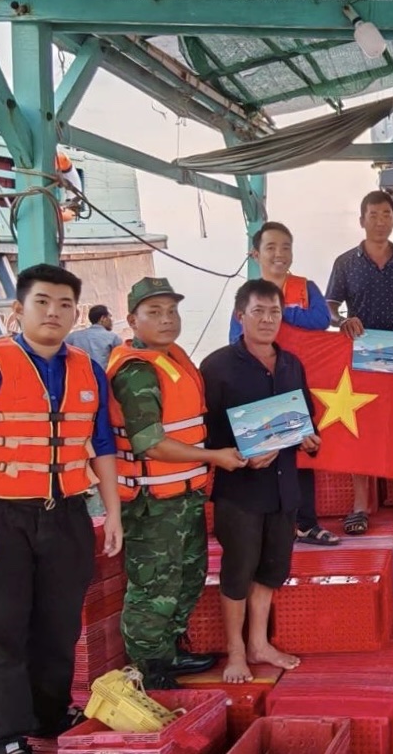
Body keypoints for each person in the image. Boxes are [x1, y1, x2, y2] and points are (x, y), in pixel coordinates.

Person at [0, 263, 123, 754]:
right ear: (19, 309)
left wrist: (113, 513)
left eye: (65, 304)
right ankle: (5, 737)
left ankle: (49, 716)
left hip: (66, 515)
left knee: (59, 626)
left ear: (76, 313)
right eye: (42, 302)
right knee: (0, 632)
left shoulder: (88, 371)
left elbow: (102, 445)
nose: (53, 312)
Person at [107, 277, 246, 689]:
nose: (167, 319)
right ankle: (148, 670)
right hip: (153, 505)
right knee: (154, 588)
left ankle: (168, 653)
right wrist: (214, 457)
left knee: (188, 577)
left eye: (171, 311)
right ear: (133, 320)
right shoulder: (136, 372)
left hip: (184, 497)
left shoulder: (173, 358)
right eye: (154, 312)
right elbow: (150, 443)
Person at [202, 279, 321, 683]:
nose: (268, 320)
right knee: (238, 570)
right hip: (240, 491)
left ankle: (258, 644)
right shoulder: (217, 367)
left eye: (275, 312)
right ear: (241, 316)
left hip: (284, 487)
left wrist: (309, 438)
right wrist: (242, 453)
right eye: (259, 311)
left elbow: (304, 418)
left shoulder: (290, 364)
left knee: (272, 568)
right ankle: (236, 651)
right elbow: (205, 433)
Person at [326, 190, 393, 535]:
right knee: (361, 427)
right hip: (360, 357)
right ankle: (360, 506)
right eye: (374, 214)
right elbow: (329, 305)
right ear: (362, 220)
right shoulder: (345, 262)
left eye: (387, 214)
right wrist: (342, 321)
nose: (381, 221)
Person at [230, 221, 338, 547]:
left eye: (286, 247)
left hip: (296, 382)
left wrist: (282, 313)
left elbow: (322, 320)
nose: (279, 254)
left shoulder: (306, 287)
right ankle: (268, 528)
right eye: (271, 247)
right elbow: (234, 339)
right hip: (260, 384)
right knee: (263, 458)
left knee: (301, 455)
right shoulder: (247, 294)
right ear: (255, 254)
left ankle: (305, 524)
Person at [65, 304, 122, 369]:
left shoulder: (73, 337)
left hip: (79, 375)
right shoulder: (113, 338)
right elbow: (121, 362)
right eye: (110, 316)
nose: (112, 320)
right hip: (103, 375)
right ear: (103, 318)